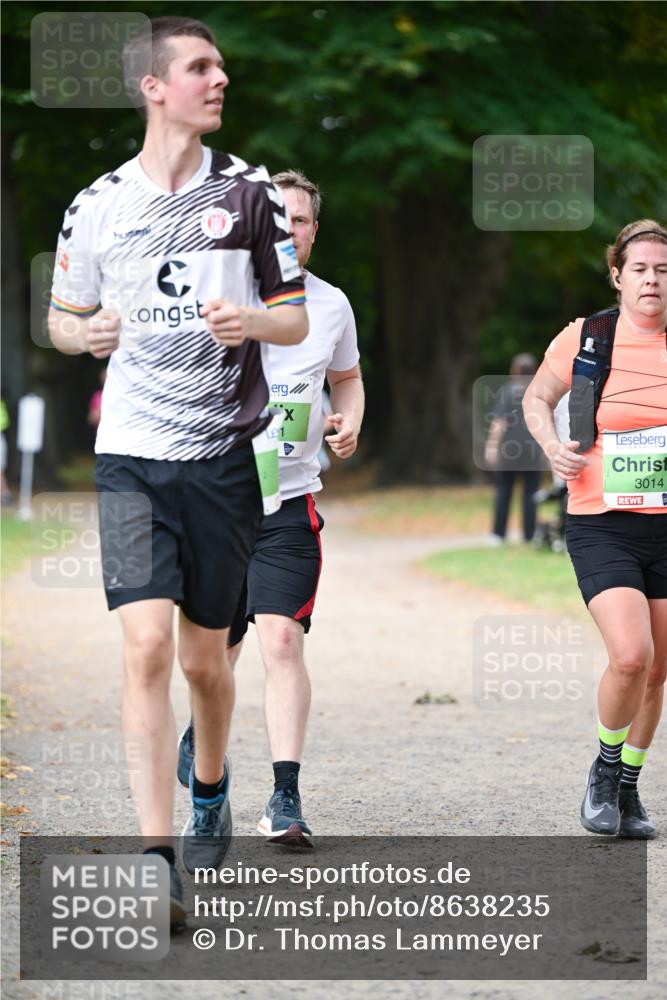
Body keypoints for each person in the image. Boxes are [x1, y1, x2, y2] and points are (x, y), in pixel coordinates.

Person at [47, 17, 308, 920]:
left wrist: (251, 324)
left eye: (222, 67)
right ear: (154, 86)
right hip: (128, 457)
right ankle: (159, 859)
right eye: (200, 67)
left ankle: (209, 784)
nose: (219, 78)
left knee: (206, 662)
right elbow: (62, 318)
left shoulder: (250, 196)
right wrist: (88, 334)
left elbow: (293, 317)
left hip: (222, 461)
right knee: (146, 647)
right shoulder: (97, 202)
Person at [177, 169, 364, 843]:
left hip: (287, 505)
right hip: (217, 505)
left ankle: (285, 799)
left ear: (315, 231)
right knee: (216, 656)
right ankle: (203, 744)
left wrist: (348, 421)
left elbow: (345, 379)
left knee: (280, 640)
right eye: (278, 218)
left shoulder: (332, 306)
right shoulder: (213, 296)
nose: (290, 230)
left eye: (303, 220)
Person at [523, 220, 667, 839]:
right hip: (601, 520)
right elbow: (536, 399)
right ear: (617, 275)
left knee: (661, 668)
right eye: (640, 269)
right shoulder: (586, 338)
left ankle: (629, 788)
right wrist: (553, 445)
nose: (652, 280)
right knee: (632, 655)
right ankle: (604, 772)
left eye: (662, 270)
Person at [484, 353, 542, 543]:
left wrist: (492, 446)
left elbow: (499, 422)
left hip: (511, 450)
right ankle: (529, 534)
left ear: (514, 371)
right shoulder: (539, 391)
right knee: (531, 493)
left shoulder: (508, 390)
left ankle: (498, 534)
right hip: (534, 450)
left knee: (504, 491)